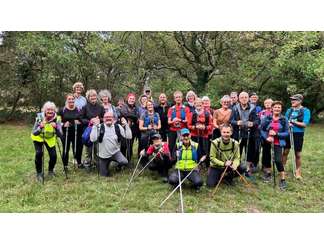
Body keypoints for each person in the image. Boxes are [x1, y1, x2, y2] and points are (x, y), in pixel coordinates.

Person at [90, 112, 132, 177]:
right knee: (103, 175)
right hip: (103, 155)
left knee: (124, 162)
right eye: (106, 117)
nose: (108, 118)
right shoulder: (99, 126)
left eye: (110, 117)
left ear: (113, 119)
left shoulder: (118, 126)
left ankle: (115, 165)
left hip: (115, 153)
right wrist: (95, 126)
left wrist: (126, 125)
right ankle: (106, 165)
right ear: (103, 119)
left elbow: (129, 136)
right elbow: (92, 139)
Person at [31, 101, 63, 182]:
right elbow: (34, 133)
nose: (50, 111)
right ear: (45, 110)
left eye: (52, 110)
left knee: (53, 156)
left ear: (54, 111)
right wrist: (40, 127)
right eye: (48, 110)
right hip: (39, 137)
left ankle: (51, 171)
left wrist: (56, 128)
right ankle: (39, 173)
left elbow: (60, 135)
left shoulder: (57, 119)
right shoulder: (39, 117)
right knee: (39, 153)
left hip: (50, 138)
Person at [260, 101, 288, 190]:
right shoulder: (267, 118)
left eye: (279, 107)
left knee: (278, 160)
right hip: (267, 141)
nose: (277, 109)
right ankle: (268, 174)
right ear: (272, 108)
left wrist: (276, 134)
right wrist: (267, 137)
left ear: (281, 109)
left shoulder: (284, 119)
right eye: (275, 107)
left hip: (278, 142)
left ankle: (283, 179)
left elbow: (286, 133)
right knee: (266, 158)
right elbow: (261, 129)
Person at [282, 94, 311, 179]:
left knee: (297, 154)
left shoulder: (305, 110)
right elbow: (285, 120)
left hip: (298, 134)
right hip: (288, 133)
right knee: (285, 152)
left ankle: (298, 172)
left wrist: (293, 122)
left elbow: (304, 124)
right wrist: (288, 123)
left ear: (300, 101)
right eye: (292, 100)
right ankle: (282, 169)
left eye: (294, 100)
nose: (292, 101)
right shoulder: (289, 110)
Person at [230, 91, 259, 176]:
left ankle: (247, 169)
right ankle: (237, 169)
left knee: (249, 152)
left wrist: (253, 123)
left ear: (248, 98)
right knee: (237, 151)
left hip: (250, 133)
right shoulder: (235, 108)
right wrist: (237, 122)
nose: (244, 99)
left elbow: (257, 120)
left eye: (245, 97)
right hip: (238, 133)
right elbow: (231, 121)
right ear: (239, 99)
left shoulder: (253, 107)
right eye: (242, 97)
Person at [81, 89, 105, 170]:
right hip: (88, 129)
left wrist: (99, 120)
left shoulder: (101, 107)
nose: (93, 97)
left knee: (97, 148)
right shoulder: (85, 107)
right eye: (91, 96)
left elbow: (104, 118)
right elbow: (81, 118)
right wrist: (90, 121)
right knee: (88, 148)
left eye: (94, 96)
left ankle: (96, 163)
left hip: (98, 129)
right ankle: (87, 163)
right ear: (88, 97)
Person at [58, 94, 83, 170]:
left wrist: (79, 122)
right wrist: (63, 124)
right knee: (66, 148)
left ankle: (78, 163)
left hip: (76, 132)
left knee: (77, 148)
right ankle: (65, 165)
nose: (71, 100)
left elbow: (82, 120)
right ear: (67, 100)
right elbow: (58, 122)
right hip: (66, 133)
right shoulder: (62, 110)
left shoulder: (79, 109)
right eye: (69, 99)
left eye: (72, 99)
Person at [187, 97, 212, 163]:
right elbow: (188, 125)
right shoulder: (192, 114)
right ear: (194, 105)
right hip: (194, 135)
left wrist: (205, 127)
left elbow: (210, 125)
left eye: (200, 105)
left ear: (203, 105)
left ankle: (205, 163)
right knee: (195, 150)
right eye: (197, 105)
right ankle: (196, 163)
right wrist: (195, 127)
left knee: (204, 150)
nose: (199, 106)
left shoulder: (207, 114)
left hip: (204, 135)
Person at [167, 91, 189, 162]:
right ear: (174, 99)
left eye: (179, 97)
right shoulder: (171, 109)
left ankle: (182, 159)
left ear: (182, 98)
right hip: (172, 130)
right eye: (176, 97)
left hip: (182, 130)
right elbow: (169, 122)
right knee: (171, 145)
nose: (178, 98)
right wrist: (173, 121)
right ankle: (171, 160)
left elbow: (187, 120)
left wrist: (180, 120)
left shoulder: (186, 108)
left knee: (182, 145)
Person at [120, 93, 140, 162]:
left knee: (130, 145)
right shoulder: (124, 106)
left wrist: (132, 117)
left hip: (133, 128)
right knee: (123, 145)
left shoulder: (136, 107)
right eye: (130, 98)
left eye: (133, 99)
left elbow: (138, 116)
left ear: (135, 100)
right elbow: (125, 114)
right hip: (124, 128)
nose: (132, 100)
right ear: (127, 99)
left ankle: (128, 160)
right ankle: (122, 161)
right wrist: (135, 117)